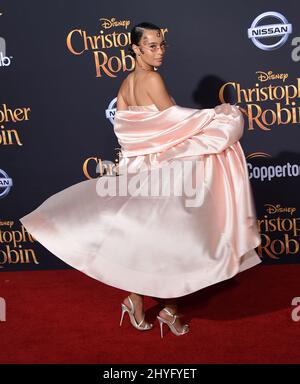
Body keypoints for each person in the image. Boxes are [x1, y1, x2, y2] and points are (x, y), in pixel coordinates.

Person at [20, 22, 262, 339]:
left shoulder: (125, 85)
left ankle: (135, 301)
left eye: (162, 44)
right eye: (151, 45)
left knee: (149, 242)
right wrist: (222, 116)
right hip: (163, 171)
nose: (159, 51)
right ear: (136, 49)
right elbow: (178, 125)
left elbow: (128, 135)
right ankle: (169, 311)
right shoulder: (152, 79)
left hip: (138, 169)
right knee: (177, 243)